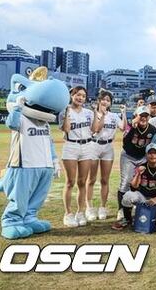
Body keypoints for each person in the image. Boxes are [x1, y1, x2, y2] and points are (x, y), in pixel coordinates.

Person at [59, 86, 95, 228]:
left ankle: (80, 212)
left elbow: (94, 130)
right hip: (71, 146)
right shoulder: (64, 111)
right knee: (70, 182)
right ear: (71, 95)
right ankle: (68, 214)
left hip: (87, 146)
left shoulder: (89, 113)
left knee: (82, 182)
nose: (80, 98)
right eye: (78, 95)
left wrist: (98, 113)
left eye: (83, 96)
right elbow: (66, 129)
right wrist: (67, 112)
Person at [112, 143, 156, 230]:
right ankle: (127, 219)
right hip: (143, 198)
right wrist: (138, 174)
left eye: (155, 153)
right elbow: (133, 187)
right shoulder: (141, 168)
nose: (152, 155)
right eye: (150, 153)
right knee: (128, 196)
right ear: (146, 155)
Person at [115, 105, 156, 223]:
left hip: (143, 157)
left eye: (146, 116)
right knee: (126, 182)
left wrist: (148, 161)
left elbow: (154, 146)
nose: (143, 118)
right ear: (136, 116)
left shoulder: (153, 130)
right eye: (141, 116)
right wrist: (132, 128)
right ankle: (121, 209)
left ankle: (136, 205)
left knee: (140, 182)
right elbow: (125, 143)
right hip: (128, 156)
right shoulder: (130, 126)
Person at [88, 89, 126, 221]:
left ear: (110, 103)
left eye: (108, 100)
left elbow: (123, 128)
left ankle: (102, 207)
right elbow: (96, 129)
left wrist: (123, 113)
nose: (105, 102)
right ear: (99, 101)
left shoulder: (113, 116)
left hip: (108, 147)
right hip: (94, 145)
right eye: (103, 99)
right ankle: (89, 207)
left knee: (105, 180)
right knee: (91, 179)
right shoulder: (92, 114)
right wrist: (103, 115)